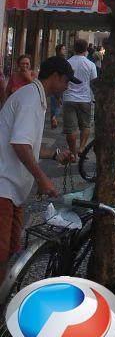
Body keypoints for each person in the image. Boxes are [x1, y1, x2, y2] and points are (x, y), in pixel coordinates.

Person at [0, 55, 78, 285]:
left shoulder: (37, 98)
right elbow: (19, 144)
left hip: (14, 190)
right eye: (65, 82)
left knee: (10, 248)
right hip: (4, 185)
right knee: (1, 250)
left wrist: (54, 154)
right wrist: (43, 179)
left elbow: (29, 145)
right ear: (55, 77)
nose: (66, 88)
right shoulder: (30, 98)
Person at [62, 39, 98, 158]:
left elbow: (63, 81)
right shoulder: (90, 65)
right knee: (85, 126)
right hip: (85, 99)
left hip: (68, 98)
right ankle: (81, 149)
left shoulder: (67, 63)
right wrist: (96, 97)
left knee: (70, 129)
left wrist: (58, 96)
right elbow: (93, 83)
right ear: (86, 49)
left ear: (74, 48)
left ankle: (72, 152)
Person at [47, 44, 67, 129]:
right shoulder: (63, 61)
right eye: (63, 49)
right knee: (58, 101)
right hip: (58, 84)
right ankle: (54, 117)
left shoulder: (51, 60)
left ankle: (53, 117)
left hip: (53, 84)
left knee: (54, 101)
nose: (64, 51)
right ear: (59, 50)